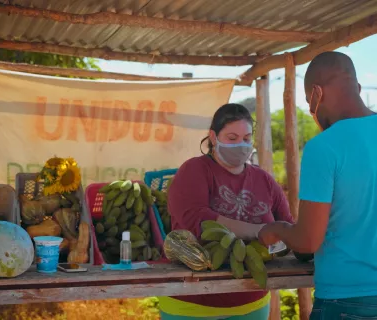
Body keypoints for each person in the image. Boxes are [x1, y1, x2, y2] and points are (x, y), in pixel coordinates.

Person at [258, 51, 377, 319]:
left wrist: (278, 229)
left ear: (316, 94)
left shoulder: (323, 147)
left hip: (346, 301)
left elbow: (308, 240)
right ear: (357, 88)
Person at [158, 103, 294, 320]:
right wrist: (258, 230)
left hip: (253, 304)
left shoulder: (264, 180)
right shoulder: (194, 170)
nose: (241, 144)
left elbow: (287, 225)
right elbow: (196, 219)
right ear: (213, 137)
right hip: (191, 304)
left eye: (247, 138)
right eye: (232, 138)